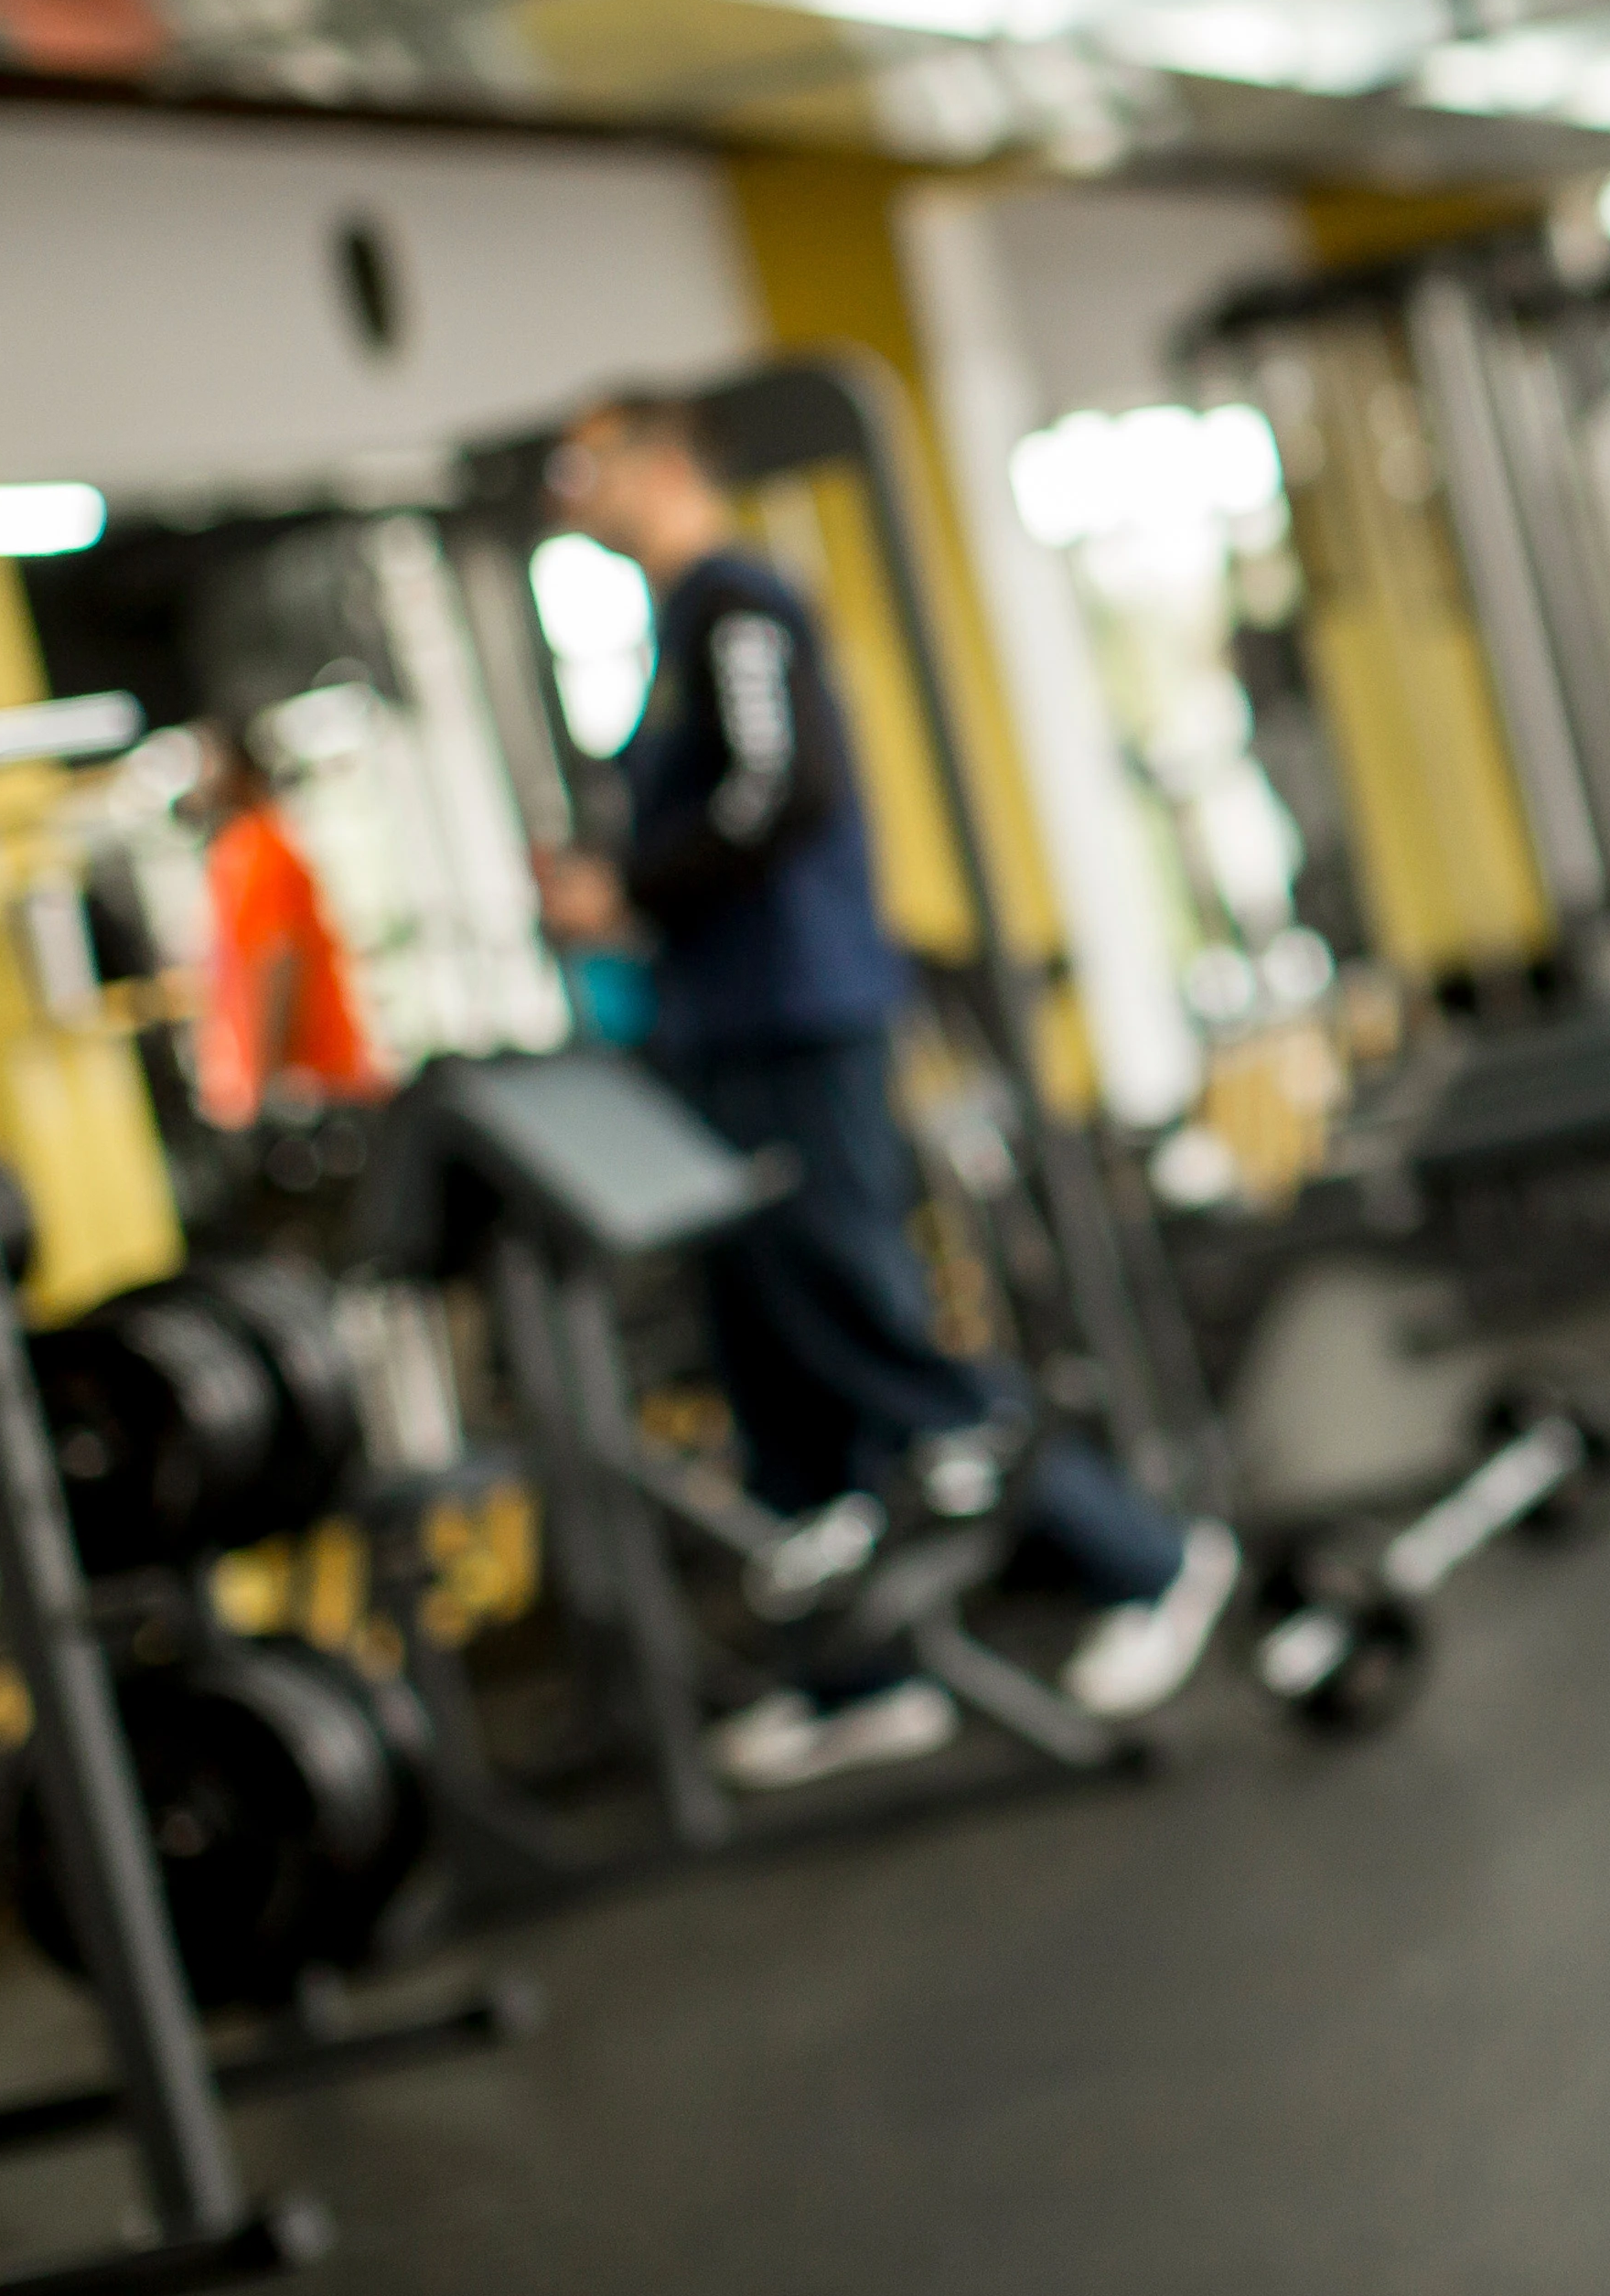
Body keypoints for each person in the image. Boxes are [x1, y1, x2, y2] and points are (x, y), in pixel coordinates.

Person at [533, 390, 1240, 1785]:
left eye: (587, 466)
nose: (571, 493)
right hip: (720, 1033)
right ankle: (860, 1671)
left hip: (795, 1027)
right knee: (769, 1368)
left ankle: (1145, 1559)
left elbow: (773, 795)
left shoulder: (738, 608)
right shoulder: (680, 628)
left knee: (860, 1329)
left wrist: (631, 890)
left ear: (664, 463)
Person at [182, 717, 385, 1130]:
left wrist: (268, 1083)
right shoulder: (236, 852)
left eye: (207, 765)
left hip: (312, 1084)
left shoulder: (260, 849)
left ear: (240, 772)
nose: (199, 783)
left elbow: (280, 962)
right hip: (292, 1086)